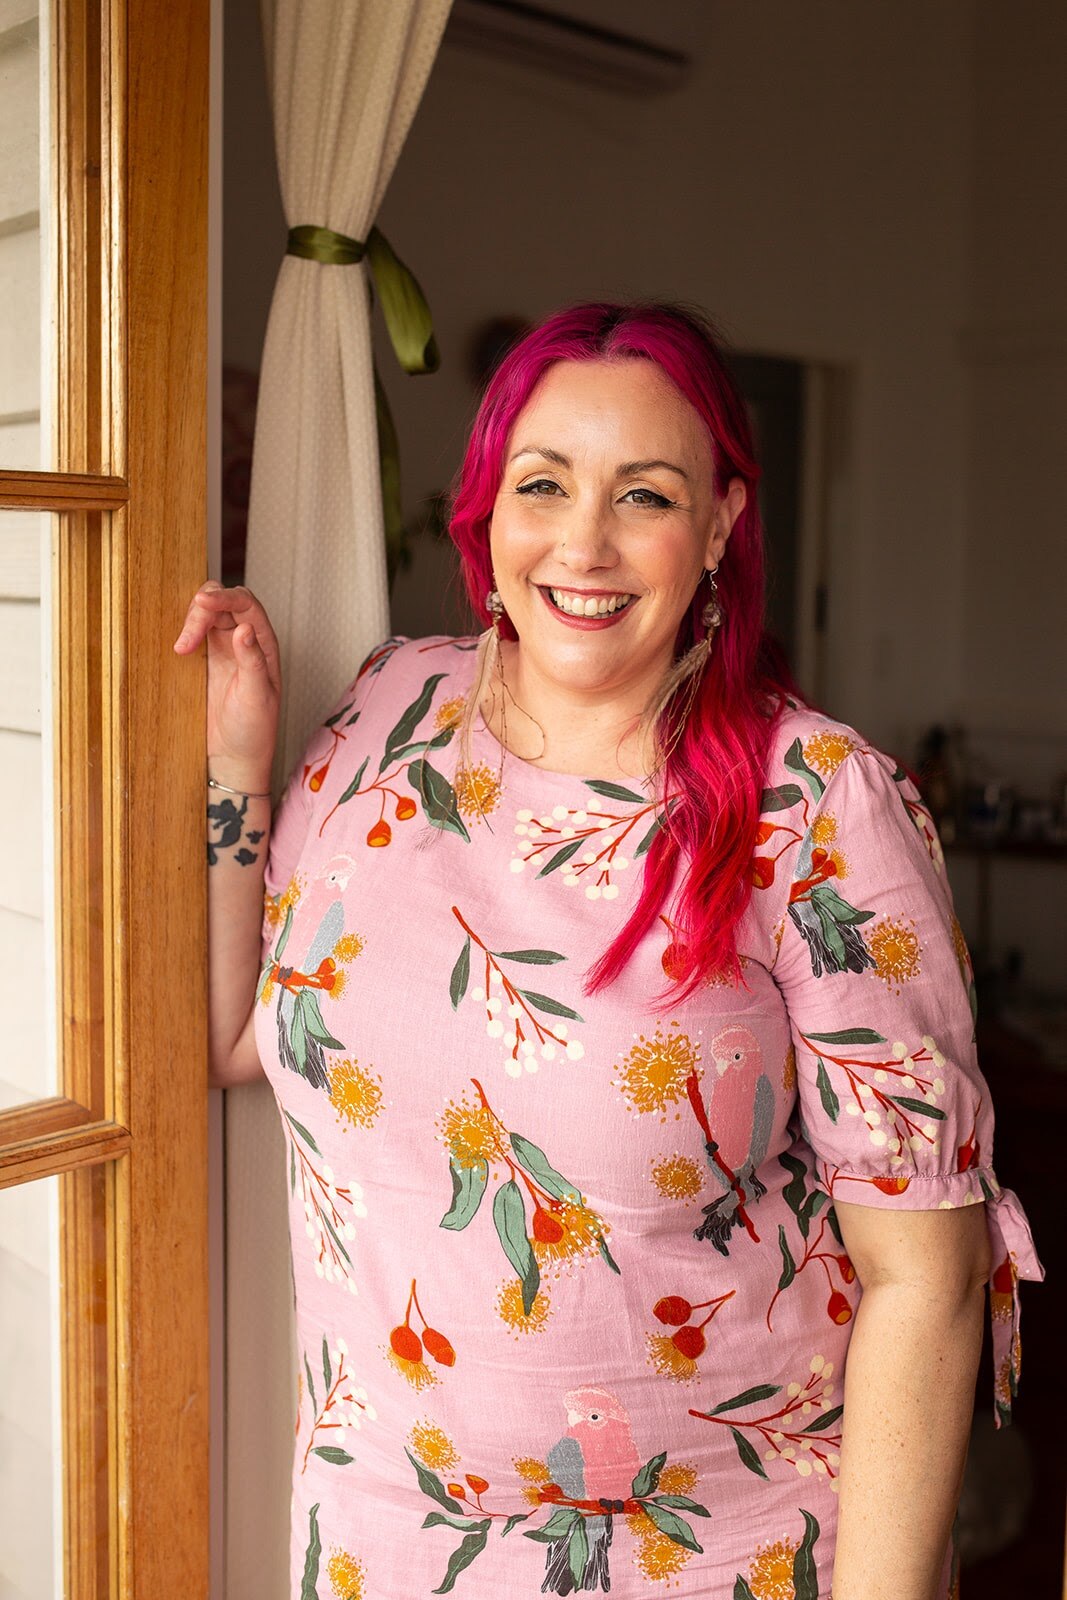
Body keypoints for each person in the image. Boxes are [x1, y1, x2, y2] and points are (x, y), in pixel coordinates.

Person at [176, 303, 1041, 1600]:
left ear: (722, 525)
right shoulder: (384, 715)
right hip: (376, 1550)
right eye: (544, 484)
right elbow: (237, 1035)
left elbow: (928, 1276)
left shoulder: (816, 807)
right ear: (487, 508)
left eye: (644, 495)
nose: (583, 544)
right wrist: (242, 764)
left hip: (716, 1560)